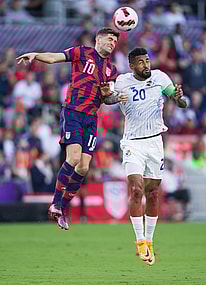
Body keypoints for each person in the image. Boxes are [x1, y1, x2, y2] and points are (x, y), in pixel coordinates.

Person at [16, 28, 127, 230]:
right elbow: (53, 58)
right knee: (73, 158)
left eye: (115, 41)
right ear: (98, 39)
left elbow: (107, 98)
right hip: (73, 112)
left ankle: (61, 209)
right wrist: (36, 55)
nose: (112, 43)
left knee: (84, 167)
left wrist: (114, 97)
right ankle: (55, 202)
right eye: (109, 39)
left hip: (91, 119)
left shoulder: (111, 69)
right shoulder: (82, 52)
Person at [101, 48, 187, 265]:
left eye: (147, 61)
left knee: (154, 192)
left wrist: (179, 98)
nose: (145, 65)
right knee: (137, 190)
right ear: (132, 66)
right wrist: (110, 97)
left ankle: (149, 241)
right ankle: (139, 242)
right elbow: (108, 99)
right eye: (140, 62)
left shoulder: (160, 77)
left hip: (155, 142)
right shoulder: (122, 81)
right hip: (132, 143)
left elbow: (179, 101)